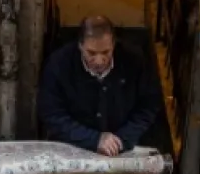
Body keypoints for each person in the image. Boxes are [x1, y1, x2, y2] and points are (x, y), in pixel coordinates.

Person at [38, 16, 164, 157]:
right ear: (80, 45)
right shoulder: (58, 64)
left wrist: (120, 141)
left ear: (114, 45)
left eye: (106, 52)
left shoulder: (135, 61)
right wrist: (93, 140)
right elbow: (52, 114)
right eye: (91, 53)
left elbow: (148, 106)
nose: (99, 61)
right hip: (71, 150)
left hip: (124, 150)